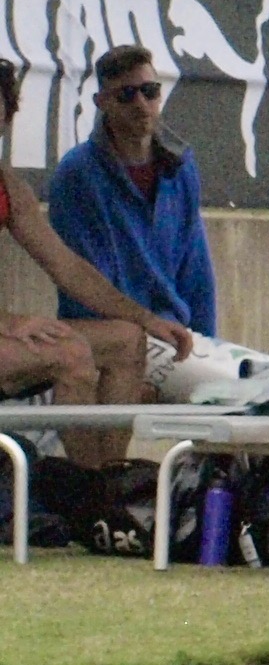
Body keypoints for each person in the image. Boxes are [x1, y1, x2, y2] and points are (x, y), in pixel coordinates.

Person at [0, 54, 190, 482]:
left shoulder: (8, 186)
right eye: (128, 94)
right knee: (69, 354)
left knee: (125, 340)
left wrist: (147, 319)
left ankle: (111, 478)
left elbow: (68, 266)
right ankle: (90, 492)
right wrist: (11, 322)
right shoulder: (79, 170)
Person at [47, 45, 218, 345]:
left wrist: (208, 344)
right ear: (102, 102)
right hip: (105, 336)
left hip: (173, 331)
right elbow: (84, 285)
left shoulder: (181, 166)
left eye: (149, 91)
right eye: (126, 94)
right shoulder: (76, 175)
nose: (141, 103)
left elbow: (196, 270)